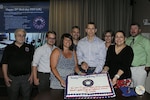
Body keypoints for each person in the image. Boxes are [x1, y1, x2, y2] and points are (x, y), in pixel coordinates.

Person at [1, 28, 34, 100]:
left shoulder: (30, 47)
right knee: (12, 97)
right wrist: (6, 77)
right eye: (19, 35)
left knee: (27, 97)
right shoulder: (8, 48)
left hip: (27, 78)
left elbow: (33, 63)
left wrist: (32, 75)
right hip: (12, 79)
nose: (22, 37)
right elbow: (4, 63)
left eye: (23, 35)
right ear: (15, 36)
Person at [126, 23, 150, 88]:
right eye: (131, 28)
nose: (133, 30)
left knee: (139, 89)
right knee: (130, 88)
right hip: (129, 68)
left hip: (140, 68)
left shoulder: (145, 40)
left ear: (139, 30)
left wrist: (148, 67)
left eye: (135, 28)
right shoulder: (128, 40)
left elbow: (149, 53)